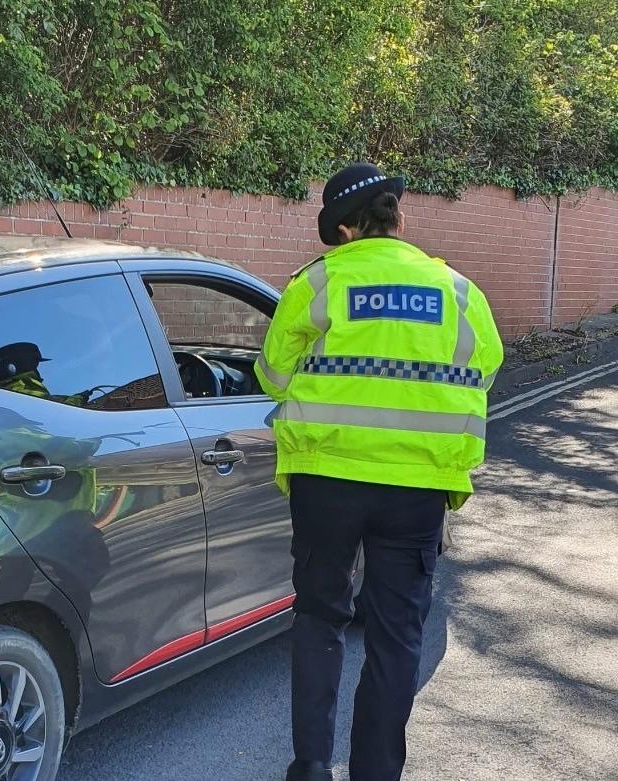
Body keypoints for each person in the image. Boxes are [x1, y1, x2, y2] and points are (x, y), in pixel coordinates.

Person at [255, 163, 504, 781]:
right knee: (396, 638)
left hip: (326, 479)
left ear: (344, 229)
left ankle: (312, 766)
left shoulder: (318, 283)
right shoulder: (459, 293)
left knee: (320, 617)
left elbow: (274, 375)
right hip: (417, 488)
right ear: (399, 217)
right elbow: (485, 369)